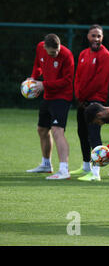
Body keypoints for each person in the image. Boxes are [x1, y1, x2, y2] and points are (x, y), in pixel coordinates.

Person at [26, 34, 74, 180]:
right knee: (42, 129)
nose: (56, 54)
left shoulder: (67, 55)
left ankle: (64, 170)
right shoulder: (40, 48)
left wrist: (43, 85)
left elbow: (67, 81)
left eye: (57, 50)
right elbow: (37, 65)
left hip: (62, 97)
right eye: (52, 52)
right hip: (48, 96)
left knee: (57, 130)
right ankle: (46, 164)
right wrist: (33, 78)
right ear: (45, 48)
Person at [71, 25, 109, 182]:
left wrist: (83, 96)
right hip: (82, 100)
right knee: (82, 132)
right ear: (88, 36)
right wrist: (78, 96)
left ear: (102, 38)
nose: (96, 39)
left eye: (99, 36)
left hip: (95, 100)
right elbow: (78, 77)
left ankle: (96, 172)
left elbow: (98, 81)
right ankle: (85, 166)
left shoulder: (106, 55)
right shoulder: (83, 54)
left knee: (94, 134)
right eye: (93, 35)